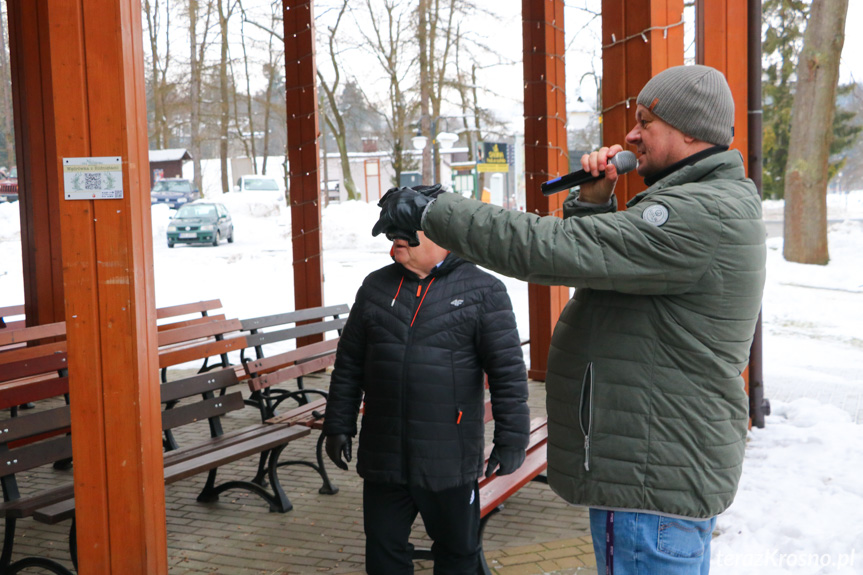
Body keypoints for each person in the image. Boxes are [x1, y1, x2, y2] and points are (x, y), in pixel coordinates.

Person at [372, 65, 766, 574]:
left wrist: (435, 211)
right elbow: (606, 272)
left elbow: (549, 249)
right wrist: (595, 202)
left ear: (690, 130)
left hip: (650, 484)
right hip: (654, 472)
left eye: (646, 121)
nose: (630, 135)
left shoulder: (698, 214)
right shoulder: (706, 203)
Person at [322, 195, 530, 575]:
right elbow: (349, 365)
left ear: (441, 233)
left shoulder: (484, 291)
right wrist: (337, 424)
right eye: (392, 239)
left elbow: (508, 374)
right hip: (384, 456)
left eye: (404, 238)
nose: (394, 245)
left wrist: (512, 440)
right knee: (383, 558)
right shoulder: (375, 288)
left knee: (458, 555)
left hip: (447, 460)